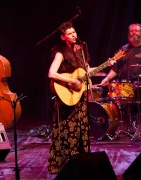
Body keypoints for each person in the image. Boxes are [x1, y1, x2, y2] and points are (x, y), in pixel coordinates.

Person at [47, 22, 93, 174]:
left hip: (79, 99)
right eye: (70, 33)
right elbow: (52, 73)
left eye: (74, 32)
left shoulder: (81, 50)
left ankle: (82, 162)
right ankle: (66, 164)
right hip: (67, 97)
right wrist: (72, 81)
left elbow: (85, 71)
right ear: (63, 37)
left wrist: (107, 64)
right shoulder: (61, 53)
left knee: (81, 130)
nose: (74, 35)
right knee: (68, 130)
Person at [100, 23, 141, 139]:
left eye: (136, 31)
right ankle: (125, 129)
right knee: (118, 104)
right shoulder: (123, 50)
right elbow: (115, 69)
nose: (133, 33)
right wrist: (107, 78)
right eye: (131, 31)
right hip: (126, 86)